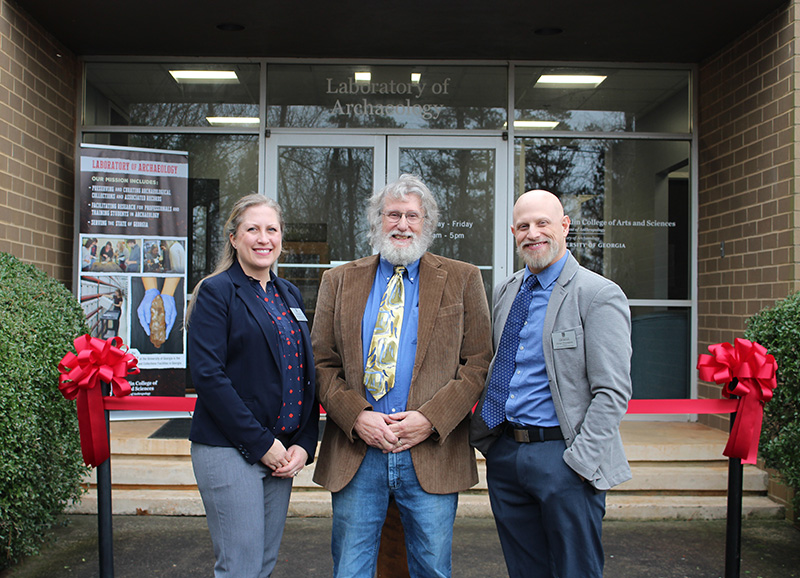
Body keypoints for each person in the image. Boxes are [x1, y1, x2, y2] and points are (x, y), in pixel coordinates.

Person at [312, 174, 493, 578]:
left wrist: (429, 420)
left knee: (432, 569)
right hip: (358, 453)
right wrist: (356, 416)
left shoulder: (463, 278)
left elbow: (478, 361)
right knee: (350, 570)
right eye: (393, 214)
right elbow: (321, 362)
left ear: (426, 223)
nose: (403, 224)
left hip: (430, 450)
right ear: (377, 221)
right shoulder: (338, 281)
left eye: (413, 216)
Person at [470, 189, 632, 578]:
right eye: (523, 226)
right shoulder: (507, 291)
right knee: (524, 570)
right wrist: (494, 449)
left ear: (564, 226)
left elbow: (612, 392)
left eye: (543, 223)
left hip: (564, 458)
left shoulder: (597, 295)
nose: (533, 233)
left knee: (574, 570)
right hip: (507, 455)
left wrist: (579, 462)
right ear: (513, 232)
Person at [187, 194, 319, 578]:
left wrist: (304, 443)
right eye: (252, 229)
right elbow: (208, 376)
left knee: (262, 564)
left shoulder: (288, 294)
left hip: (281, 452)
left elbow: (304, 373)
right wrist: (263, 445)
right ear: (233, 238)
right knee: (240, 567)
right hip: (231, 449)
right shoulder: (215, 292)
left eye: (271, 229)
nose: (264, 239)